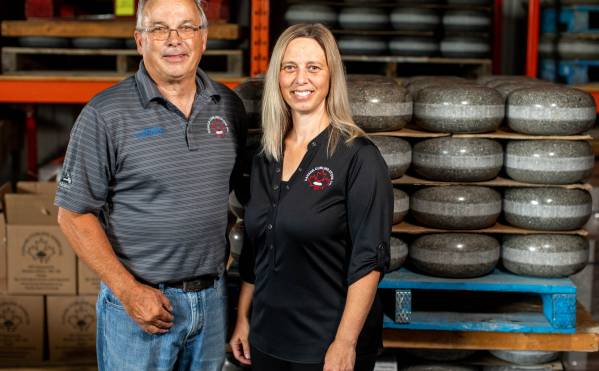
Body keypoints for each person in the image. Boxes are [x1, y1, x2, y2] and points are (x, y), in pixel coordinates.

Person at [55, 0, 246, 369]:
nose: (174, 40)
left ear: (203, 38)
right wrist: (128, 292)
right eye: (159, 29)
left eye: (186, 27)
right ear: (140, 41)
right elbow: (73, 215)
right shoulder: (105, 114)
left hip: (213, 300)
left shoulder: (229, 107)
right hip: (141, 306)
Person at [230, 23, 393, 371]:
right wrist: (244, 318)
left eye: (313, 67)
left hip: (327, 345)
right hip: (267, 339)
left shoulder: (359, 158)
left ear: (331, 76)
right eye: (289, 67)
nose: (300, 78)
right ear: (277, 77)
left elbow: (370, 260)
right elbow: (255, 250)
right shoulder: (266, 156)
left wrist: (345, 343)